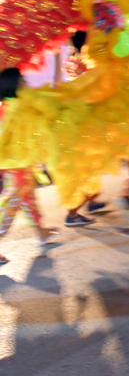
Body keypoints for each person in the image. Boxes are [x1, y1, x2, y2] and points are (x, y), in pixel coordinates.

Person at [0, 68, 57, 264]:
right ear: (14, 85)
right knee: (7, 205)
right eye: (22, 81)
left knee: (27, 198)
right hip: (13, 166)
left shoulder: (14, 105)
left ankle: (40, 232)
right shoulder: (10, 108)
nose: (25, 83)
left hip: (21, 164)